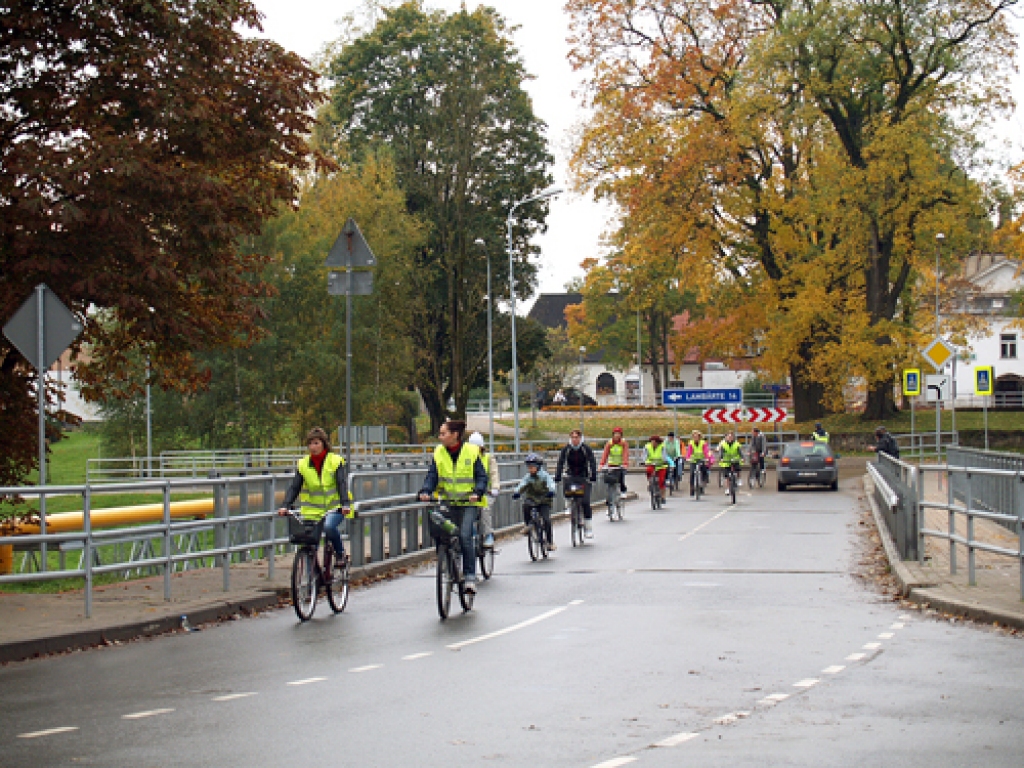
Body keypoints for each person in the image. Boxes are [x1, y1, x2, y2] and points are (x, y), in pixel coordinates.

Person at [418, 420, 488, 594]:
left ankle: (470, 576)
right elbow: (432, 476)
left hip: (468, 503)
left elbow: (481, 476)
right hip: (448, 503)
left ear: (455, 435)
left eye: (443, 433)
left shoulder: (471, 451)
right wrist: (426, 491)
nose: (440, 437)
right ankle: (448, 566)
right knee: (442, 535)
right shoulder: (439, 452)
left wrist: (478, 492)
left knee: (465, 536)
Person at [277, 427, 351, 573]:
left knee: (330, 527)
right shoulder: (303, 464)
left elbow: (341, 484)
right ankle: (312, 582)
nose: (313, 447)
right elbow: (295, 487)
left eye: (316, 443)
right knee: (309, 543)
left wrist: (345, 504)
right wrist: (285, 505)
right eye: (310, 443)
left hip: (334, 508)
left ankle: (340, 554)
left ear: (323, 443)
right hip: (312, 511)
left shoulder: (335, 461)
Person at [554, 429, 598, 537]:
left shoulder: (585, 449)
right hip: (571, 475)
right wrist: (558, 475)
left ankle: (588, 527)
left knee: (585, 502)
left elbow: (592, 462)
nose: (575, 440)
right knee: (567, 488)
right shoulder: (567, 449)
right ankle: (568, 505)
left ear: (580, 438)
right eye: (573, 437)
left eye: (577, 437)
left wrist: (593, 475)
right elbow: (560, 462)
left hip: (583, 476)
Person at [513, 453, 557, 550]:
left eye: (532, 467)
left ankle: (550, 542)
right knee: (526, 506)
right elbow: (522, 485)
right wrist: (517, 492)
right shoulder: (528, 477)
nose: (530, 469)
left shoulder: (544, 476)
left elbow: (551, 484)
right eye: (529, 467)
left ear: (538, 467)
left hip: (544, 499)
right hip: (532, 498)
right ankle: (528, 525)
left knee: (546, 520)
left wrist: (551, 491)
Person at [468, 432, 500, 548]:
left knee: (485, 509)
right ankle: (469, 535)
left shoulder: (488, 458)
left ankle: (488, 534)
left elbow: (494, 473)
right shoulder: (466, 458)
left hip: (487, 493)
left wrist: (495, 488)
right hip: (470, 493)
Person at [599, 426, 630, 493]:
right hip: (611, 464)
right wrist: (602, 464)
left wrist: (625, 463)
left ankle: (623, 491)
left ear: (621, 435)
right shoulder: (609, 443)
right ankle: (609, 497)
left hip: (620, 465)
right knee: (610, 480)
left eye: (619, 434)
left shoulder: (623, 443)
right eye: (615, 433)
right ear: (613, 434)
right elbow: (605, 454)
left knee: (621, 479)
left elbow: (625, 453)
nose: (617, 435)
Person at [685, 429, 713, 495]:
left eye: (696, 436)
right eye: (694, 436)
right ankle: (692, 488)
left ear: (699, 437)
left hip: (701, 459)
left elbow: (706, 451)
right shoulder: (691, 443)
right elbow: (689, 452)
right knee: (692, 473)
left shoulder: (703, 443)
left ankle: (703, 482)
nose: (695, 438)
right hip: (694, 460)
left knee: (704, 470)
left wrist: (707, 458)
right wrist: (687, 458)